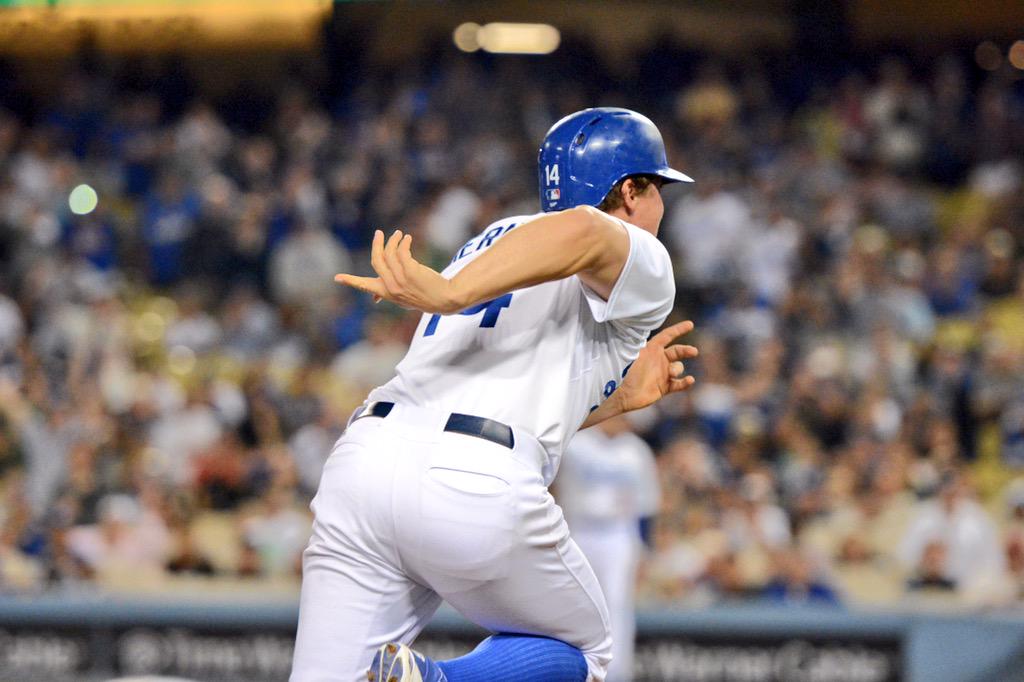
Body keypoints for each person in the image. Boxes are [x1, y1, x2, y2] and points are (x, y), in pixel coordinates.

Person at [290, 108, 698, 682]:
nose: (661, 206)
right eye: (657, 188)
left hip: (366, 462)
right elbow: (585, 230)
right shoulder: (635, 251)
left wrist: (614, 399)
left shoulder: (495, 238)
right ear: (629, 191)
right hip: (470, 484)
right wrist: (451, 292)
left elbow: (507, 386)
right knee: (589, 652)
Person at [556, 414, 661, 681]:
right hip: (577, 530)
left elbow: (647, 508)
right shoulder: (576, 443)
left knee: (617, 604)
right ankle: (572, 668)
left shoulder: (637, 450)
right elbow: (551, 487)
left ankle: (615, 674)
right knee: (573, 602)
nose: (623, 421)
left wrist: (645, 551)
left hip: (619, 534)